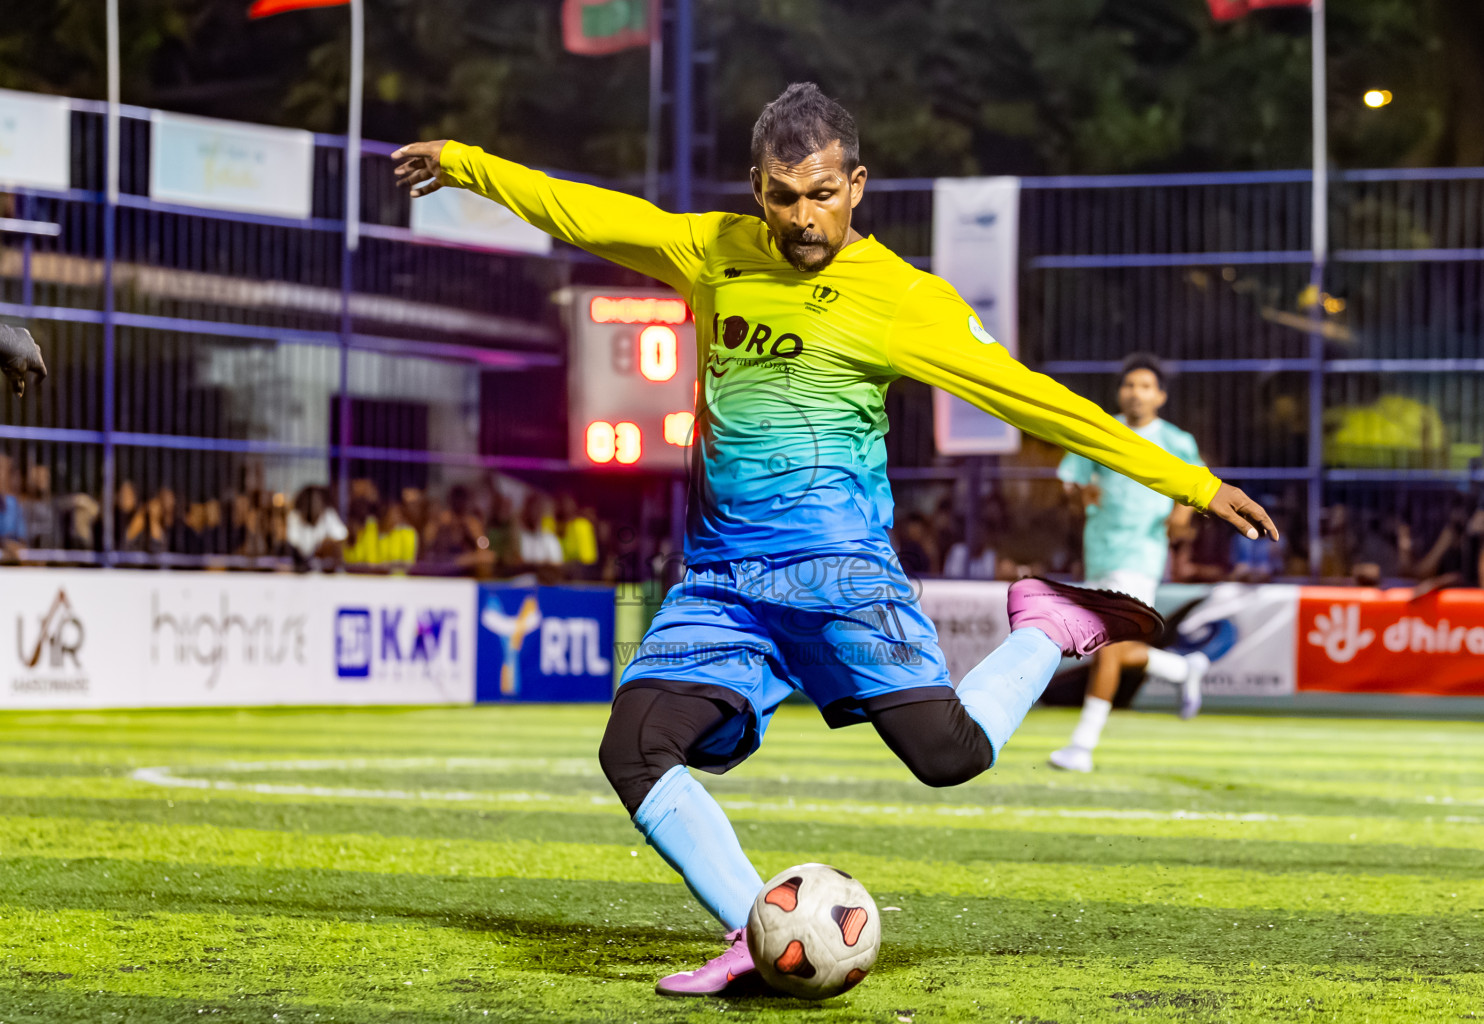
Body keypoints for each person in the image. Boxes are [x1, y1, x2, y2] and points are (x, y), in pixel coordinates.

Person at [393, 82, 1275, 997]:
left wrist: (1194, 484)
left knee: (949, 757)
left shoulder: (902, 299)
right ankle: (755, 931)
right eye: (782, 196)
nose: (801, 217)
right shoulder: (714, 251)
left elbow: (1034, 398)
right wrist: (466, 163)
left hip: (841, 576)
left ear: (858, 184)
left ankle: (1047, 625)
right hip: (724, 585)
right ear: (756, 187)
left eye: (820, 193)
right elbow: (588, 213)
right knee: (634, 747)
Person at [1050, 355, 1213, 774]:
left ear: (1159, 395)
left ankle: (1082, 746)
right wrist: (1076, 494)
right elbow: (1072, 479)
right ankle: (1182, 668)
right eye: (1129, 385)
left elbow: (1197, 484)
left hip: (1141, 556)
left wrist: (1183, 512)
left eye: (1145, 386)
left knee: (1110, 647)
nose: (1135, 392)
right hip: (1100, 550)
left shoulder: (1175, 440)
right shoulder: (1100, 431)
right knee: (1112, 647)